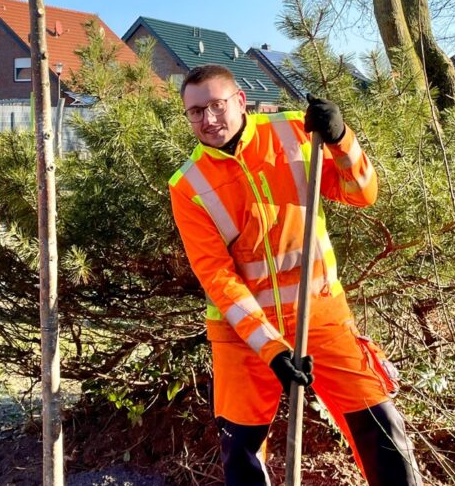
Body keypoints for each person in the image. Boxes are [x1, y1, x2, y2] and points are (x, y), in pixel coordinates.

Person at [168, 65, 422, 486]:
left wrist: (341, 139)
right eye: (196, 112)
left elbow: (362, 193)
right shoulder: (188, 185)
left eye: (216, 105)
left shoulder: (293, 132)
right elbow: (216, 276)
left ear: (240, 101)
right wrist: (271, 348)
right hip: (242, 339)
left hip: (320, 314)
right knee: (242, 455)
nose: (208, 119)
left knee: (381, 430)